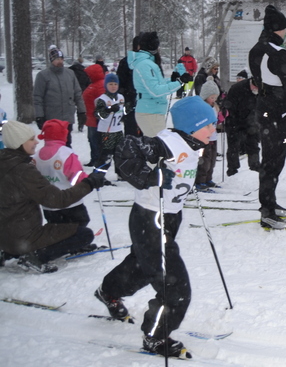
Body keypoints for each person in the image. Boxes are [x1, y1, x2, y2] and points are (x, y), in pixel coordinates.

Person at [96, 96, 216, 358]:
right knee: (175, 287)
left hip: (167, 217)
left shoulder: (191, 142)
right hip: (151, 219)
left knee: (142, 267)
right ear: (192, 126)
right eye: (208, 125)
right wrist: (149, 177)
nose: (213, 129)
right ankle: (156, 336)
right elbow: (127, 147)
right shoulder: (168, 143)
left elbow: (180, 169)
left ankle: (109, 291)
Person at [0, 121, 104, 273]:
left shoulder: (6, 163)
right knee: (84, 234)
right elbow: (57, 199)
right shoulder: (22, 170)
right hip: (23, 237)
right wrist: (88, 183)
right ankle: (35, 257)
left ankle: (10, 251)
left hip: (5, 236)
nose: (37, 142)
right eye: (31, 139)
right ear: (19, 143)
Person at [249, 4, 286, 229]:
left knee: (270, 160)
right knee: (273, 162)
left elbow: (261, 79)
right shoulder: (278, 52)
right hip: (277, 112)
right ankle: (267, 210)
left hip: (265, 108)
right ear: (278, 29)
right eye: (284, 29)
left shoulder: (257, 48)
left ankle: (270, 204)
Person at [34, 119, 93, 231]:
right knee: (80, 223)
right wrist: (89, 181)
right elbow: (76, 175)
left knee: (57, 228)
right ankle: (75, 240)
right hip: (70, 201)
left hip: (49, 205)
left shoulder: (37, 155)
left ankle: (61, 239)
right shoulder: (65, 154)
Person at [130, 31, 188, 137]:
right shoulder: (145, 65)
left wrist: (173, 80)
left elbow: (157, 85)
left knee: (158, 144)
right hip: (150, 112)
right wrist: (179, 82)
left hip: (153, 111)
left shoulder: (148, 63)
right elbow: (155, 91)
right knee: (160, 144)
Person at [33, 46, 86, 146]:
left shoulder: (70, 74)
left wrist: (82, 111)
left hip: (67, 118)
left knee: (67, 144)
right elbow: (38, 97)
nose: (60, 61)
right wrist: (39, 116)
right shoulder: (43, 75)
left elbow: (77, 93)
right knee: (53, 146)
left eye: (61, 59)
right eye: (57, 59)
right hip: (52, 118)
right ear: (52, 60)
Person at [220, 76, 260, 177]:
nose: (256, 90)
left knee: (253, 144)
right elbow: (229, 105)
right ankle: (232, 168)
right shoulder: (237, 88)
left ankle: (255, 165)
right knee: (233, 145)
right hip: (235, 120)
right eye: (255, 87)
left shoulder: (262, 90)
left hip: (251, 121)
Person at [195, 77, 220, 191]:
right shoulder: (202, 107)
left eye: (215, 98)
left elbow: (217, 120)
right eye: (211, 97)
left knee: (212, 160)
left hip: (213, 137)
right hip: (204, 138)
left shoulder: (215, 107)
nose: (213, 100)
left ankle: (208, 178)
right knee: (204, 161)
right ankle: (200, 181)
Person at [95, 73, 125, 169]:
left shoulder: (121, 97)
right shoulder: (102, 99)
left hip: (118, 130)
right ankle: (99, 174)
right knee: (106, 155)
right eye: (110, 84)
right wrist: (108, 110)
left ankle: (121, 173)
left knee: (120, 153)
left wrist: (130, 106)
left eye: (115, 84)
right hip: (106, 131)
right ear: (106, 85)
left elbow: (123, 112)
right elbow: (98, 115)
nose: (113, 86)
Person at [82, 63, 107, 167]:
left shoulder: (99, 85)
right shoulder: (99, 84)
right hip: (93, 118)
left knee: (95, 140)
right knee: (94, 140)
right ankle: (96, 158)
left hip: (95, 119)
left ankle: (97, 159)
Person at [117, 36, 141, 136]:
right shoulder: (126, 62)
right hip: (130, 101)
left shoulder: (149, 61)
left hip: (145, 103)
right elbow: (120, 84)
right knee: (131, 131)